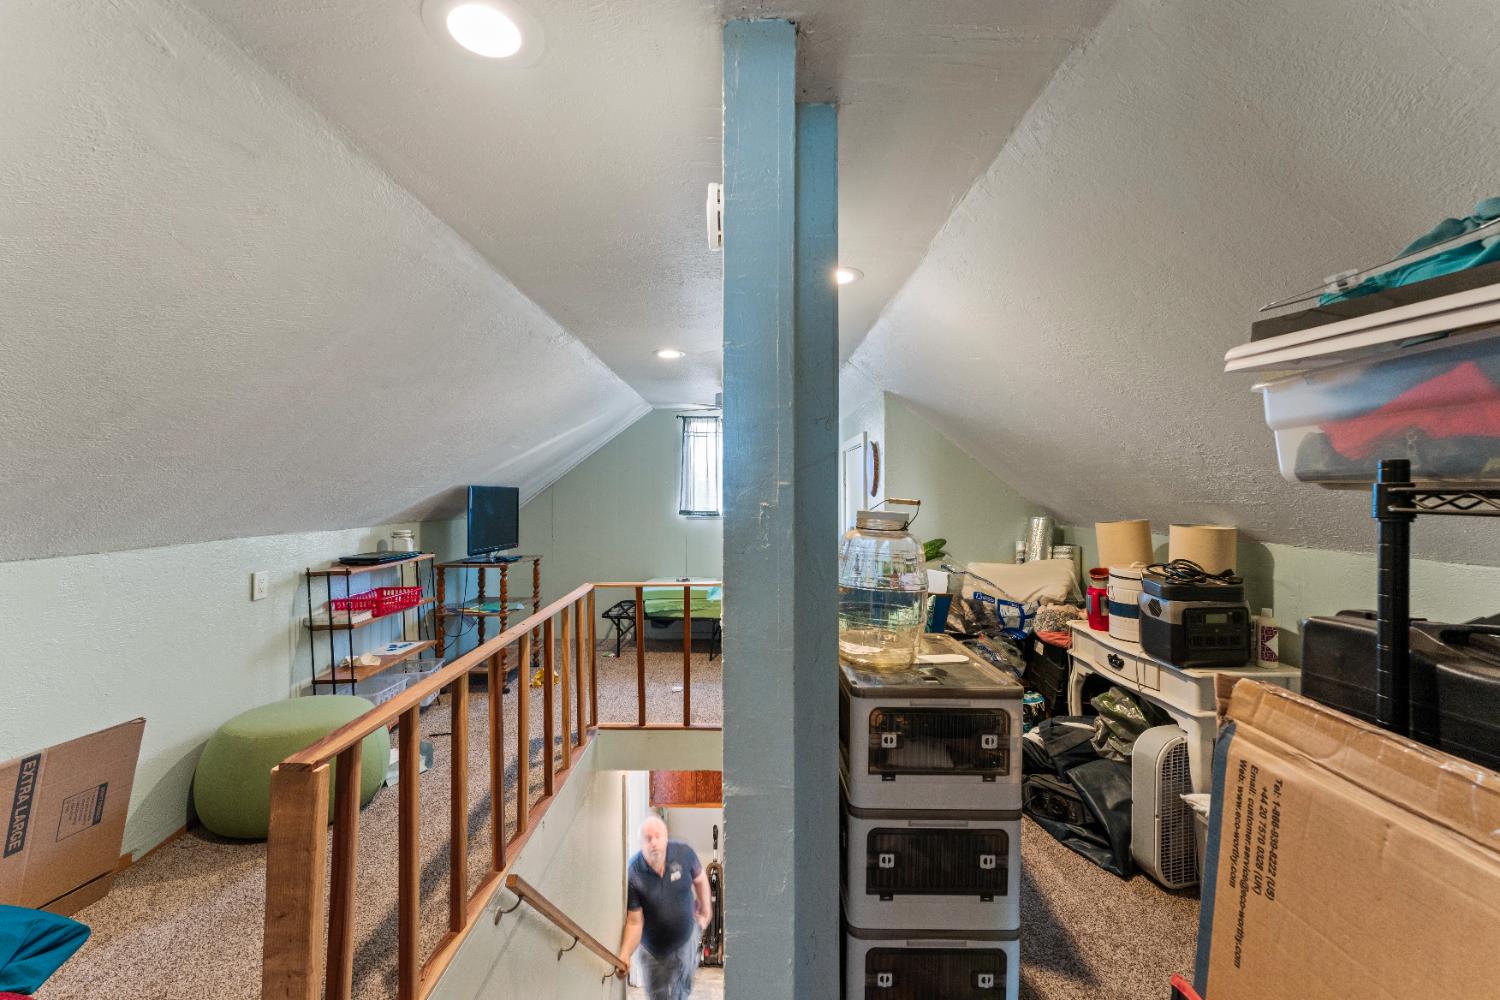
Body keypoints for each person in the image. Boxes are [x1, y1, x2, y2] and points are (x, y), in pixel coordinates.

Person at [618, 816, 713, 999]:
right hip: (653, 952)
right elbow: (634, 922)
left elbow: (700, 879)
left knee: (682, 991)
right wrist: (624, 954)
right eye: (648, 838)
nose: (654, 842)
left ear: (666, 837)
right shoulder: (634, 874)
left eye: (657, 836)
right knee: (657, 996)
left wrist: (706, 912)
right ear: (641, 843)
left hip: (686, 940)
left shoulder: (684, 853)